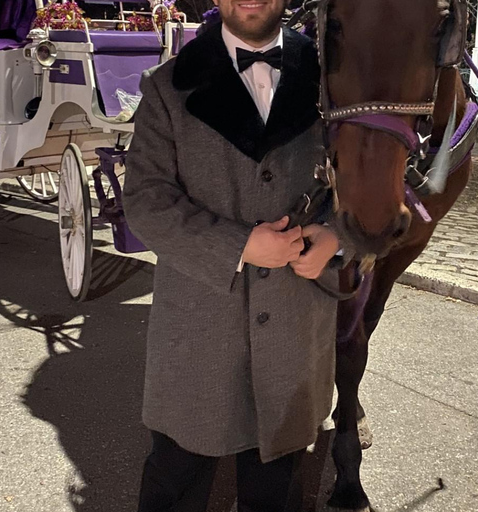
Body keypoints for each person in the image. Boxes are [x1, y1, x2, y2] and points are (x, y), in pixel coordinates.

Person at [122, 0, 342, 510]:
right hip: (199, 336)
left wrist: (337, 238)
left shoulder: (334, 82)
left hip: (295, 330)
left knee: (281, 488)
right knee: (175, 481)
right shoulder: (166, 86)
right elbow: (146, 201)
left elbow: (365, 181)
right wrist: (239, 245)